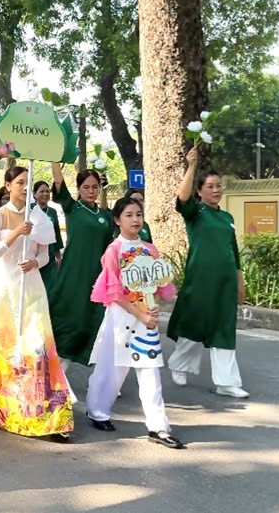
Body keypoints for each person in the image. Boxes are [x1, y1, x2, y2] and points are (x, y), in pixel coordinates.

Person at [0, 165, 74, 437]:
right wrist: (16, 232)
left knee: (38, 347)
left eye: (30, 183)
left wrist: (35, 262)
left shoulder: (40, 217)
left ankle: (48, 409)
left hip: (31, 288)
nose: (26, 187)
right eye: (21, 182)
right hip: (3, 288)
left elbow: (46, 255)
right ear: (9, 184)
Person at [85, 196, 183, 449]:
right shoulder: (113, 251)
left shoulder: (150, 250)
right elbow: (114, 292)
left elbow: (161, 286)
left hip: (145, 320)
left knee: (150, 370)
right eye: (129, 215)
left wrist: (155, 306)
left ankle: (158, 426)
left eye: (138, 214)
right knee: (111, 369)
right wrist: (139, 314)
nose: (135, 219)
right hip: (121, 318)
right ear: (117, 220)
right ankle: (97, 411)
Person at [167, 148, 249, 398]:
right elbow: (182, 198)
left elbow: (233, 252)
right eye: (210, 186)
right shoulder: (195, 214)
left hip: (224, 284)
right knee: (194, 325)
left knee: (224, 328)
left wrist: (239, 281)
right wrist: (191, 166)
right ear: (200, 191)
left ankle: (227, 383)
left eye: (219, 186)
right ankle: (178, 365)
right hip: (199, 281)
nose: (216, 190)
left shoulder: (227, 218)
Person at [48, 163, 114, 368]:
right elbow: (59, 182)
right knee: (69, 318)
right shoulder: (72, 207)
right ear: (79, 189)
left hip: (97, 276)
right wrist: (55, 159)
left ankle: (101, 377)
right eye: (86, 187)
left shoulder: (105, 215)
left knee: (93, 321)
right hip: (73, 274)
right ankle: (57, 373)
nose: (91, 191)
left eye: (95, 187)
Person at [33, 180, 64, 291]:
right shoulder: (30, 210)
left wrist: (59, 257)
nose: (45, 194)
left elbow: (57, 235)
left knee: (50, 289)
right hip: (34, 258)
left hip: (50, 257)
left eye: (47, 191)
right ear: (35, 194)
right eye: (42, 191)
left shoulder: (52, 212)